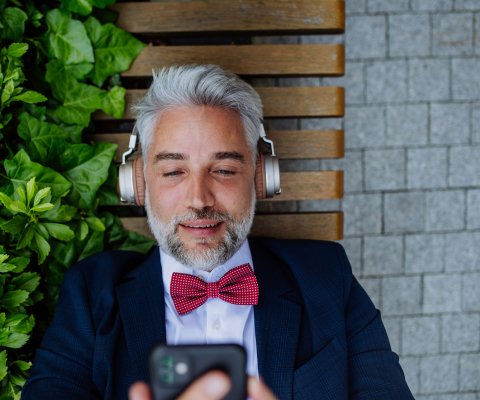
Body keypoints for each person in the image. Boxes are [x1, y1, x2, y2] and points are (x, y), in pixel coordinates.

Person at [21, 65, 414, 400]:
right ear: (138, 183)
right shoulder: (91, 293)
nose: (199, 199)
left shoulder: (327, 275)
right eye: (174, 171)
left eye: (224, 170)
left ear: (261, 177)